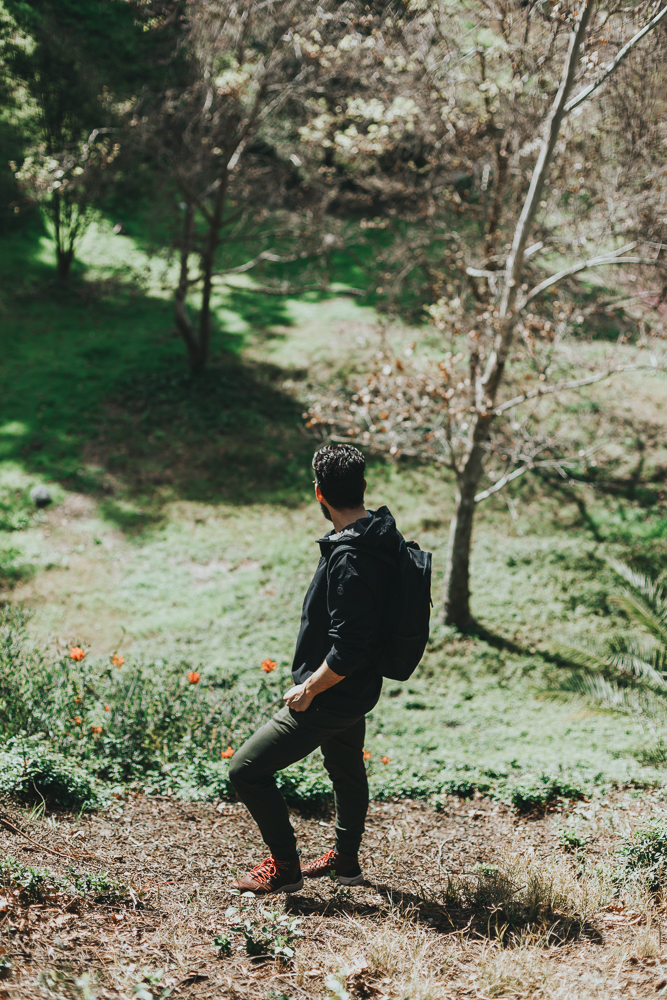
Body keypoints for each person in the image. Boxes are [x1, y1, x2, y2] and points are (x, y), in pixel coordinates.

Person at [228, 443, 404, 895]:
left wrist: (309, 688)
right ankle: (346, 863)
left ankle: (285, 866)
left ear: (318, 492)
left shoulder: (351, 558)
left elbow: (346, 650)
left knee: (246, 770)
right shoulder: (381, 535)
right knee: (346, 769)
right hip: (361, 688)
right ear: (362, 487)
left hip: (333, 692)